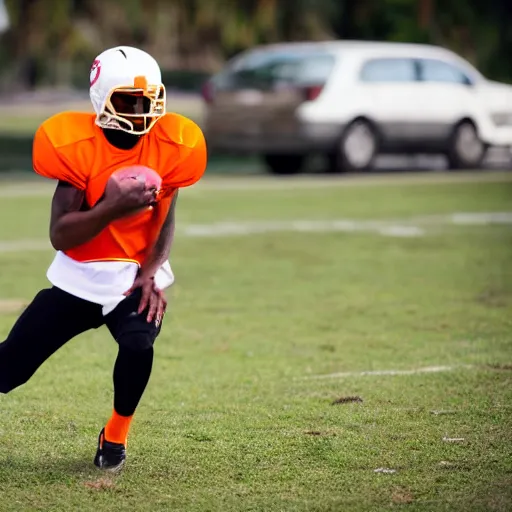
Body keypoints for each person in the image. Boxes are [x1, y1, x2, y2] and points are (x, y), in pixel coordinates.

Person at [0, 46, 207, 472]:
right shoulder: (76, 146)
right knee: (9, 370)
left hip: (135, 276)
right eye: (130, 100)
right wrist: (112, 208)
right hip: (81, 276)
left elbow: (166, 217)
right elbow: (60, 234)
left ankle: (115, 437)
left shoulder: (173, 143)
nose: (142, 109)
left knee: (137, 342)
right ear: (102, 99)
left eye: (149, 99)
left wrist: (151, 272)